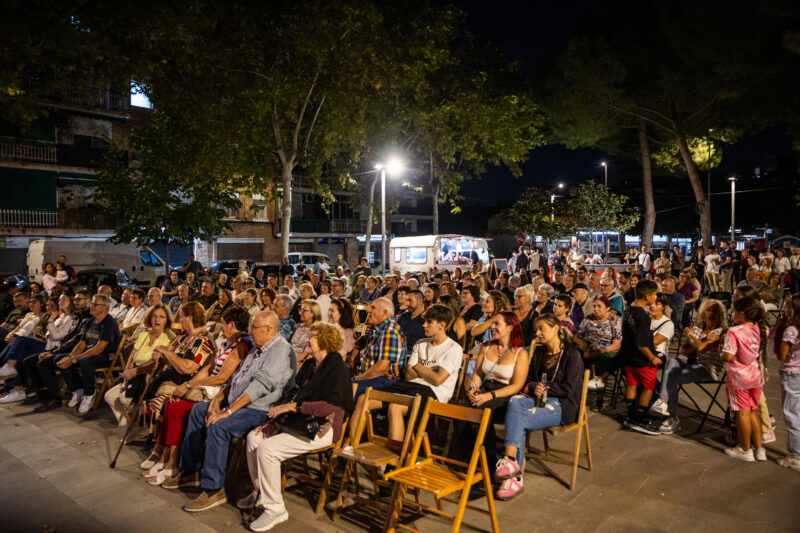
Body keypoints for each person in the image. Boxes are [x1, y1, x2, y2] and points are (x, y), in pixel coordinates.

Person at [165, 311, 295, 513]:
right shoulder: (258, 349)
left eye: (254, 327)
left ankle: (213, 488)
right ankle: (191, 469)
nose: (249, 331)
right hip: (239, 404)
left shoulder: (280, 350)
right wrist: (217, 400)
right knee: (200, 410)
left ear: (269, 329)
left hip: (259, 410)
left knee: (219, 425)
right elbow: (236, 380)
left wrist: (228, 411)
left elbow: (259, 387)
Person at [241, 321, 352, 530]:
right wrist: (273, 422)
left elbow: (328, 407)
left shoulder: (337, 367)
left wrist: (291, 408)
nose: (308, 339)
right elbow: (293, 394)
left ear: (326, 340)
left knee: (268, 449)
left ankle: (275, 510)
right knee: (254, 438)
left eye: (314, 335)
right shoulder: (311, 365)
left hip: (322, 428)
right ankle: (261, 493)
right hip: (300, 421)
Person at [143, 307, 250, 486]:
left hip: (221, 393)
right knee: (171, 403)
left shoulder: (240, 347)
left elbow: (222, 378)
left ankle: (173, 463)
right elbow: (208, 369)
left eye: (223, 324)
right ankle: (164, 456)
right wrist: (186, 387)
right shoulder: (226, 343)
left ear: (232, 325)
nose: (221, 327)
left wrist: (189, 385)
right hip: (207, 387)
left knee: (177, 409)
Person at [494, 314, 584, 500]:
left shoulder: (571, 354)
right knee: (515, 401)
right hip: (537, 399)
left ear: (556, 328)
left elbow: (570, 389)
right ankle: (511, 464)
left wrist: (546, 388)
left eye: (541, 328)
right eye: (536, 329)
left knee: (519, 419)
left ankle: (513, 476)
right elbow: (527, 382)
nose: (537, 333)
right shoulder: (539, 354)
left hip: (561, 404)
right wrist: (535, 387)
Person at [372, 305, 463, 443]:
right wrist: (430, 370)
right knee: (366, 399)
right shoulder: (420, 343)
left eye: (429, 322)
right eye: (424, 321)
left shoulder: (453, 348)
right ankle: (350, 449)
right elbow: (408, 375)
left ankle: (393, 460)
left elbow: (438, 380)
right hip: (409, 386)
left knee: (394, 407)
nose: (424, 325)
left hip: (434, 393)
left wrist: (419, 367)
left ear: (442, 325)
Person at [459, 311, 528, 476]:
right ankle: (463, 458)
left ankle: (488, 465)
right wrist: (473, 389)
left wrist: (489, 396)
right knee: (461, 407)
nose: (493, 327)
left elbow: (517, 385)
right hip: (484, 389)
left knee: (483, 412)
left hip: (504, 395)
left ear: (510, 327)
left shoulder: (520, 352)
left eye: (497, 324)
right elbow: (478, 373)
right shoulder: (486, 346)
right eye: (493, 323)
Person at [650, 299, 728, 434]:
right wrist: (695, 339)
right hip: (694, 363)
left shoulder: (721, 331)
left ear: (720, 314)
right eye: (708, 310)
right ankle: (664, 402)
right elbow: (685, 350)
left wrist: (690, 334)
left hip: (709, 370)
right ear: (703, 312)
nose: (711, 313)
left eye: (715, 311)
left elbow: (700, 347)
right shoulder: (699, 329)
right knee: (673, 362)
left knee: (672, 376)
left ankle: (671, 416)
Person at [104, 304, 173, 425]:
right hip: (132, 376)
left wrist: (134, 373)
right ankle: (129, 425)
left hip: (147, 378)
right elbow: (131, 359)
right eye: (154, 316)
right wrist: (125, 380)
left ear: (166, 320)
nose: (157, 320)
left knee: (123, 400)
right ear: (150, 318)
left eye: (161, 317)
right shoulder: (143, 335)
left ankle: (137, 424)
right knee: (109, 396)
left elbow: (156, 366)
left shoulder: (166, 341)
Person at [56, 293, 121, 414]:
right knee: (59, 359)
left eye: (95, 304)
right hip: (90, 354)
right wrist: (69, 357)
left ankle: (89, 393)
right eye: (92, 303)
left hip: (106, 357)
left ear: (105, 307)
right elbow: (81, 344)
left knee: (85, 361)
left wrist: (74, 359)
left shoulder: (109, 323)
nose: (91, 306)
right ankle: (77, 389)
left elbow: (99, 349)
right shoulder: (90, 322)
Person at [721, 297, 769, 462]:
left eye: (733, 311)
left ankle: (745, 449)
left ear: (741, 314)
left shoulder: (735, 332)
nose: (732, 314)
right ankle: (760, 449)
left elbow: (728, 355)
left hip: (739, 378)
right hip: (757, 376)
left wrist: (721, 349)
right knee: (753, 411)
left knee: (742, 413)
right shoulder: (762, 329)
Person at [619, 280, 661, 433]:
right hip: (641, 359)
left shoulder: (629, 310)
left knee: (632, 384)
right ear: (648, 296)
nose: (656, 297)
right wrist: (652, 357)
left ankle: (630, 415)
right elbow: (642, 343)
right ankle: (639, 417)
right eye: (655, 294)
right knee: (649, 387)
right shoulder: (643, 316)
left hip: (627, 356)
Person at [352, 298, 407, 398]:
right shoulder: (378, 329)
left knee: (346, 390)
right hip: (373, 378)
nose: (368, 310)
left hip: (386, 380)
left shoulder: (390, 332)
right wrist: (354, 353)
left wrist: (358, 378)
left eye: (373, 308)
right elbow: (361, 342)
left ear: (385, 312)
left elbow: (381, 368)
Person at [575, 295, 622, 395]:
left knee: (601, 359)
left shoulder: (615, 320)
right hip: (588, 349)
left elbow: (617, 345)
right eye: (594, 306)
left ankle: (598, 397)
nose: (596, 309)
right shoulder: (589, 318)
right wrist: (581, 341)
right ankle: (575, 388)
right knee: (573, 354)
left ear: (608, 308)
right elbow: (577, 335)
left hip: (606, 351)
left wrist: (595, 352)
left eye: (599, 306)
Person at [777, 293, 800, 471]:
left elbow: (781, 354)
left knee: (792, 415)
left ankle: (795, 456)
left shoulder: (791, 330)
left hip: (792, 374)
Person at [290, 299, 322, 364]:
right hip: (289, 357)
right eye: (300, 310)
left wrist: (287, 362)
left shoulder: (316, 331)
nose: (300, 313)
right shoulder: (300, 327)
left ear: (313, 313)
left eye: (304, 311)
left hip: (297, 362)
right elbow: (291, 345)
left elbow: (305, 355)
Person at [649, 293, 675, 363]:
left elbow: (652, 343)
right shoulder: (644, 319)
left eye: (657, 304)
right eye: (651, 303)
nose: (652, 306)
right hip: (642, 350)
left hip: (658, 354)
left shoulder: (668, 324)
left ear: (663, 307)